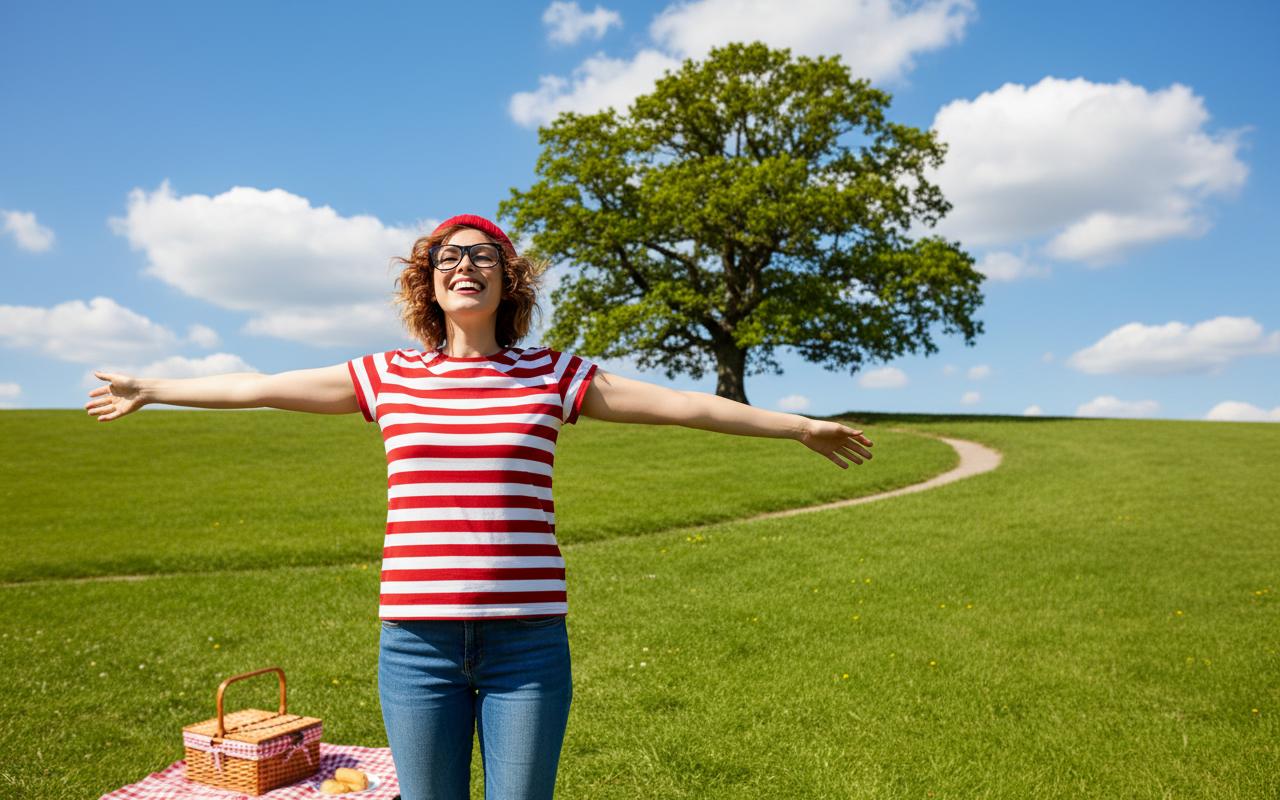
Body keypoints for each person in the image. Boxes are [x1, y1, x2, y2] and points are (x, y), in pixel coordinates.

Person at [85, 213, 874, 800]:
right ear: (429, 283)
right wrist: (155, 388)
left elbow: (682, 406)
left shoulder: (552, 375)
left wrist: (798, 426)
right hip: (416, 647)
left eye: (483, 255)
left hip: (527, 650)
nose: (465, 264)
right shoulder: (388, 375)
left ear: (507, 280)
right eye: (448, 257)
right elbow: (259, 388)